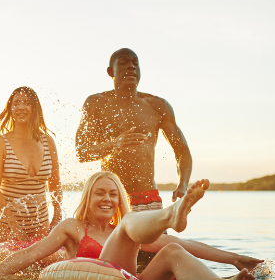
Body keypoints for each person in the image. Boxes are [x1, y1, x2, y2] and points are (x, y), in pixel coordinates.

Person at [0, 171, 260, 280]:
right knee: (129, 225)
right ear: (88, 197)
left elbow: (183, 243)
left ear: (119, 200)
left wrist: (235, 259)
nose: (107, 199)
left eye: (113, 194)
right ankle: (171, 214)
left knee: (172, 250)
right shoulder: (73, 227)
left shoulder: (125, 230)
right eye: (99, 193)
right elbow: (31, 253)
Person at [75, 48, 192, 211]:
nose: (131, 67)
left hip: (148, 198)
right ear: (110, 71)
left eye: (135, 63)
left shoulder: (158, 106)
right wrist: (115, 144)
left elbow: (182, 150)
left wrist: (183, 185)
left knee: (161, 238)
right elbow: (82, 152)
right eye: (123, 63)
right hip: (110, 200)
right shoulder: (96, 104)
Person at [0, 87, 62, 254]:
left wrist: (57, 216)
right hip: (4, 223)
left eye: (27, 103)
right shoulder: (0, 142)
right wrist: (14, 226)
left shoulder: (48, 141)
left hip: (39, 222)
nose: (21, 107)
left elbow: (55, 184)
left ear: (35, 109)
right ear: (10, 109)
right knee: (1, 276)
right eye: (16, 103)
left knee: (36, 276)